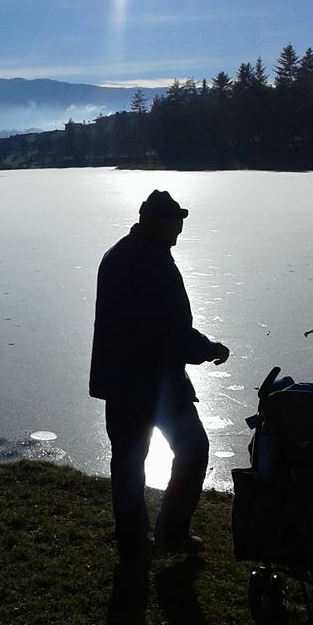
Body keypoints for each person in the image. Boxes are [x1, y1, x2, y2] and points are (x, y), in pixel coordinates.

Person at [89, 189, 229, 562]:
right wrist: (212, 349)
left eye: (181, 221)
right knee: (193, 449)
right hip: (156, 385)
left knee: (128, 462)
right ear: (156, 222)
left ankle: (133, 542)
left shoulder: (116, 254)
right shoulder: (154, 263)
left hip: (119, 383)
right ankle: (171, 531)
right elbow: (171, 333)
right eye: (174, 222)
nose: (179, 230)